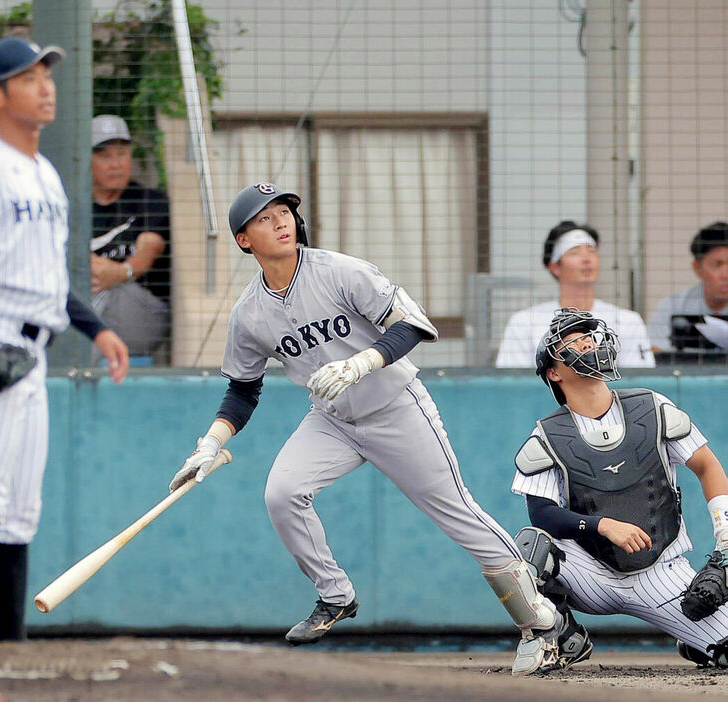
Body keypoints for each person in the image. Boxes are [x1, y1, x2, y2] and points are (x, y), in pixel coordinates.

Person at [169, 182, 572, 675]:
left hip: (395, 406)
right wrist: (211, 443)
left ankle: (543, 621)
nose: (279, 221)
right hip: (332, 420)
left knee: (458, 515)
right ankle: (334, 594)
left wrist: (362, 362)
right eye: (263, 217)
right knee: (282, 493)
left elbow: (414, 325)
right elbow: (242, 390)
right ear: (243, 240)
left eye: (284, 212)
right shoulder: (249, 313)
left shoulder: (340, 270)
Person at [0, 37, 129, 641]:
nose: (45, 86)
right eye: (28, 76)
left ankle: (11, 655)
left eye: (47, 74)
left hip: (30, 352)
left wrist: (99, 328)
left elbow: (45, 282)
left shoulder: (44, 174)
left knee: (17, 518)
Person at [510, 307, 728, 669]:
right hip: (589, 572)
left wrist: (726, 541)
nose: (587, 344)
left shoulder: (652, 406)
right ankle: (558, 637)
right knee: (525, 550)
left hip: (661, 570)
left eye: (588, 337)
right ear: (553, 372)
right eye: (573, 342)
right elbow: (542, 515)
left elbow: (707, 466)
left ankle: (697, 641)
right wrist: (602, 525)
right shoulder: (547, 435)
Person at [495, 220, 654, 368]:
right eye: (574, 252)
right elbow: (512, 383)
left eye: (591, 251)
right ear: (555, 267)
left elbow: (641, 382)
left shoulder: (627, 321)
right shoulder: (524, 323)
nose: (586, 259)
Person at [90, 114, 171, 358]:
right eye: (105, 156)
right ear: (87, 160)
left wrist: (119, 273)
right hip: (94, 301)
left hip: (141, 310)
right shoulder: (75, 205)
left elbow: (147, 252)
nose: (116, 164)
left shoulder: (150, 200)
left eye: (122, 154)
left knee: (110, 290)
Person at [647, 221, 728, 352]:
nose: (725, 275)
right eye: (717, 265)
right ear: (697, 268)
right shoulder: (673, 306)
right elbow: (656, 350)